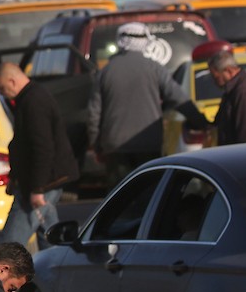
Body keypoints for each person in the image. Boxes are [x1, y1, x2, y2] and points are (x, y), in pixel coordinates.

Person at [87, 22, 208, 182]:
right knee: (148, 193)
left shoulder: (105, 72)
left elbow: (94, 113)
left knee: (121, 197)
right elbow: (178, 98)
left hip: (115, 146)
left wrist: (95, 144)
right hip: (149, 144)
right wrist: (200, 122)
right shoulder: (155, 68)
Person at [0, 63, 79, 250]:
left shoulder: (34, 101)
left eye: (2, 87)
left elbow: (43, 147)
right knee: (51, 237)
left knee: (9, 245)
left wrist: (38, 188)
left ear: (12, 80)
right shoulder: (29, 99)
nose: (2, 92)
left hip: (42, 183)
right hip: (38, 182)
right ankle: (58, 270)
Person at [208, 50, 246, 145]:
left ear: (228, 71)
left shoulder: (245, 92)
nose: (214, 82)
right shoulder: (232, 90)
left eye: (216, 77)